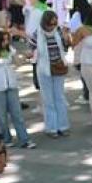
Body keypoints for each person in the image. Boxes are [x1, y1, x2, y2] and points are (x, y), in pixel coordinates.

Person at [0, 30, 34, 149]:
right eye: (3, 40)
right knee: (1, 116)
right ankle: (6, 138)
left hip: (11, 84)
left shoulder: (9, 49)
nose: (5, 42)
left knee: (17, 114)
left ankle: (24, 139)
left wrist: (25, 56)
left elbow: (17, 62)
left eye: (7, 39)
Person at [29, 10, 71, 138]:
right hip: (44, 69)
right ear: (44, 23)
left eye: (54, 24)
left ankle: (63, 126)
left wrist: (65, 37)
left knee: (59, 97)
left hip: (58, 67)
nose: (52, 27)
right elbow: (31, 50)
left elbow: (65, 48)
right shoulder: (37, 34)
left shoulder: (58, 31)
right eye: (50, 24)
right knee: (48, 99)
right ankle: (51, 127)